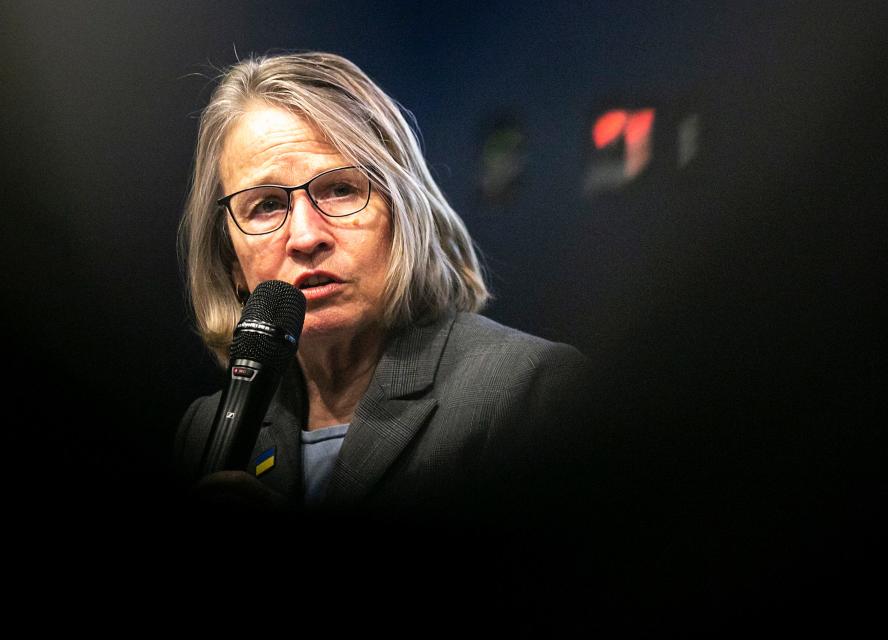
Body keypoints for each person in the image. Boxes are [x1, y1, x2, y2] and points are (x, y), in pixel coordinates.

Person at [172, 51, 587, 518]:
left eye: (341, 189)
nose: (307, 237)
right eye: (266, 205)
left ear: (404, 214)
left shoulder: (524, 393)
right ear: (231, 259)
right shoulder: (204, 429)